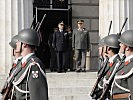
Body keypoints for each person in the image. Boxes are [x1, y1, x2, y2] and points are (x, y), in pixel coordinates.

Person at [12, 29, 48, 100]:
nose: (16, 44)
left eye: (18, 41)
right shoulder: (23, 64)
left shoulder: (34, 65)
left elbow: (38, 96)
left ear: (24, 44)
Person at [112, 30, 133, 100]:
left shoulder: (131, 66)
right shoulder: (125, 63)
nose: (119, 45)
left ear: (127, 47)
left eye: (121, 43)